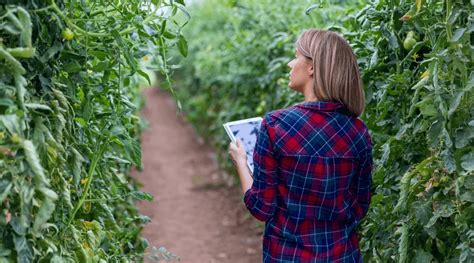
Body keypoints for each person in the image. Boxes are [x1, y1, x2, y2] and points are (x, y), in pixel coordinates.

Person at [228, 29, 373, 262]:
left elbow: (261, 208)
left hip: (288, 254)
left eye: (296, 56)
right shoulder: (358, 132)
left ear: (312, 67)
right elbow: (360, 207)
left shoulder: (276, 125)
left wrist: (241, 163)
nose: (289, 64)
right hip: (342, 255)